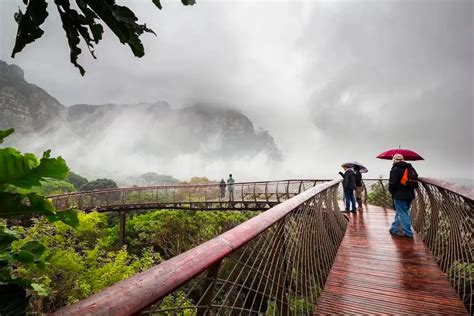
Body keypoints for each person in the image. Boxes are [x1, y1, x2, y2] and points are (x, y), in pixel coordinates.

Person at [388, 154, 418, 238]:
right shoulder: (410, 167)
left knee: (403, 213)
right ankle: (394, 228)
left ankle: (408, 233)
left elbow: (392, 184)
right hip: (409, 195)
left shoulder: (395, 169)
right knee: (400, 212)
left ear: (394, 160)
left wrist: (391, 191)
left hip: (399, 195)